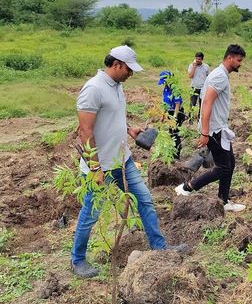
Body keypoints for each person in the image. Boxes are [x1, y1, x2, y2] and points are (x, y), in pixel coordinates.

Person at [71, 45, 188, 278]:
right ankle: (78, 260)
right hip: (100, 166)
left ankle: (159, 247)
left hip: (123, 160)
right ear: (116, 65)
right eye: (128, 69)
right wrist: (95, 168)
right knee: (91, 213)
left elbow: (112, 118)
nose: (130, 74)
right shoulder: (93, 89)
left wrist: (129, 129)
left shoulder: (116, 87)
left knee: (144, 200)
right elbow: (85, 131)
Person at [175, 44, 246, 212]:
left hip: (219, 127)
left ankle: (224, 200)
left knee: (230, 163)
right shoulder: (219, 76)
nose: (240, 63)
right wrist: (205, 132)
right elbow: (206, 102)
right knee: (223, 167)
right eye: (239, 60)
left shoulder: (220, 74)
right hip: (214, 129)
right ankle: (187, 188)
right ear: (230, 58)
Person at [158, 70, 187, 159]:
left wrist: (174, 118)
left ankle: (176, 155)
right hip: (170, 112)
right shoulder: (166, 88)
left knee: (174, 133)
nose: (164, 83)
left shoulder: (175, 88)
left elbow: (177, 104)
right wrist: (163, 115)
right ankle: (172, 152)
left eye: (164, 81)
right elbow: (165, 103)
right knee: (171, 133)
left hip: (177, 113)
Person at [188, 52, 210, 120]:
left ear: (202, 59)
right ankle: (190, 119)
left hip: (203, 89)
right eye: (196, 59)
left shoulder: (206, 67)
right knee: (192, 105)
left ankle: (199, 120)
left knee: (202, 106)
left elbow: (208, 77)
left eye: (199, 59)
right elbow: (190, 76)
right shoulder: (191, 65)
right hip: (194, 88)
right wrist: (194, 66)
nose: (197, 60)